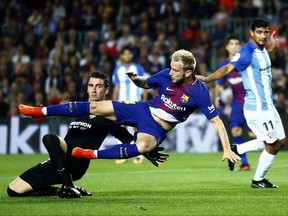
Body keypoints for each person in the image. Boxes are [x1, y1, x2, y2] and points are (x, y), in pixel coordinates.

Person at [18, 49, 240, 168]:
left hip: (156, 127)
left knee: (142, 147)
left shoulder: (199, 92)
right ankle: (40, 112)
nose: (171, 73)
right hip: (142, 109)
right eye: (171, 68)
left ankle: (90, 155)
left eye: (176, 70)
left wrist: (226, 149)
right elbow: (146, 83)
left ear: (188, 73)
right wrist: (136, 80)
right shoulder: (165, 74)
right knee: (95, 106)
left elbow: (217, 122)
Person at [9, 71, 168, 198]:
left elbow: (128, 139)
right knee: (13, 191)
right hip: (59, 163)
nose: (93, 89)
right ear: (86, 88)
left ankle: (69, 186)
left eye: (98, 86)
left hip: (77, 162)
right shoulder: (81, 110)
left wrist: (148, 152)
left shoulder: (109, 117)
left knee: (49, 138)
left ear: (106, 90)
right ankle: (63, 189)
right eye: (91, 85)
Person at [198, 18, 286, 188]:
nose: (263, 35)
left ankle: (238, 149)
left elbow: (260, 62)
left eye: (265, 32)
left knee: (280, 142)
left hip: (268, 106)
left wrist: (272, 48)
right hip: (257, 108)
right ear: (251, 33)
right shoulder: (246, 52)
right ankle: (258, 180)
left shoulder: (262, 51)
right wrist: (208, 79)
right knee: (273, 145)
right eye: (259, 32)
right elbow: (228, 68)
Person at [214, 36, 255, 171]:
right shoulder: (224, 65)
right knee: (235, 130)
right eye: (231, 44)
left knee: (253, 135)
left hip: (252, 101)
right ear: (227, 47)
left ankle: (271, 152)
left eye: (237, 44)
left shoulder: (246, 60)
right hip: (237, 102)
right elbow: (219, 84)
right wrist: (218, 96)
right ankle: (245, 163)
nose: (234, 46)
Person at [112, 45, 148, 164]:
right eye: (124, 53)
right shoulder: (117, 70)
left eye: (129, 53)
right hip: (121, 103)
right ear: (121, 56)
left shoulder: (138, 68)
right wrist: (113, 103)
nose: (126, 56)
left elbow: (144, 86)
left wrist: (144, 101)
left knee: (137, 127)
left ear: (132, 55)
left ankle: (140, 154)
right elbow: (116, 88)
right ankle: (122, 154)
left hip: (136, 102)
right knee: (121, 128)